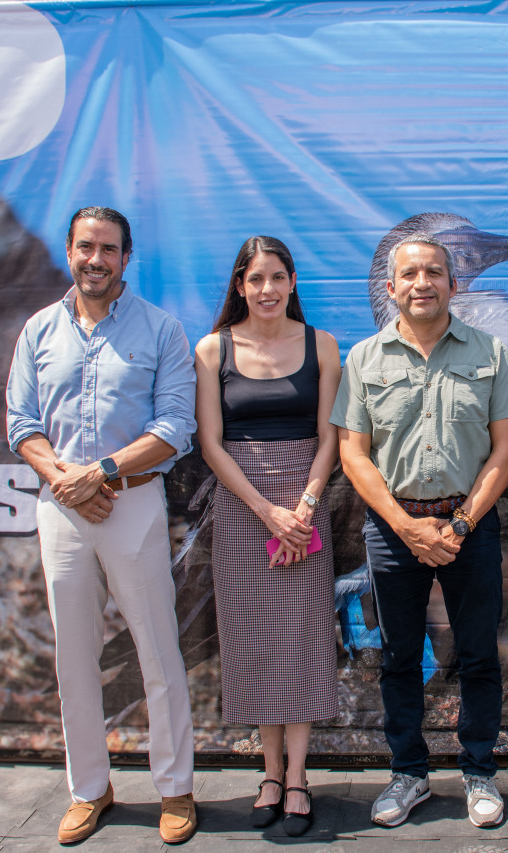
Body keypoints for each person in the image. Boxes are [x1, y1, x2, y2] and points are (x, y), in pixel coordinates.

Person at [5, 206, 197, 845]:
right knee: (73, 657)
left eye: (109, 249)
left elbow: (175, 426)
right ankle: (90, 789)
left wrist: (104, 472)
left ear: (126, 257)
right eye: (86, 247)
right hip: (61, 508)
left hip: (133, 504)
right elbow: (21, 424)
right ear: (70, 251)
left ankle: (175, 789)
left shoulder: (162, 330)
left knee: (159, 653)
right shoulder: (38, 330)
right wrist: (67, 479)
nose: (96, 259)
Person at [331, 234, 508, 829]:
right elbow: (353, 455)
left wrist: (462, 521)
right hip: (394, 529)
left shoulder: (491, 353)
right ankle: (408, 772)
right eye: (410, 274)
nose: (423, 283)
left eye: (434, 272)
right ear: (391, 288)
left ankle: (479, 771)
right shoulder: (364, 358)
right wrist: (405, 526)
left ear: (453, 283)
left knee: (477, 654)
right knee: (397, 657)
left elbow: (507, 449)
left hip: (472, 523)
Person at [193, 236, 341, 836]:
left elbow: (332, 436)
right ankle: (270, 772)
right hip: (241, 510)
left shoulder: (323, 345)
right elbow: (210, 443)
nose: (268, 290)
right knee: (253, 639)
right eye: (256, 279)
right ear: (239, 286)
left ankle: (300, 777)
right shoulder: (211, 350)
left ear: (293, 281)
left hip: (307, 505)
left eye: (278, 277)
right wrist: (265, 512)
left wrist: (301, 509)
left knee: (302, 639)